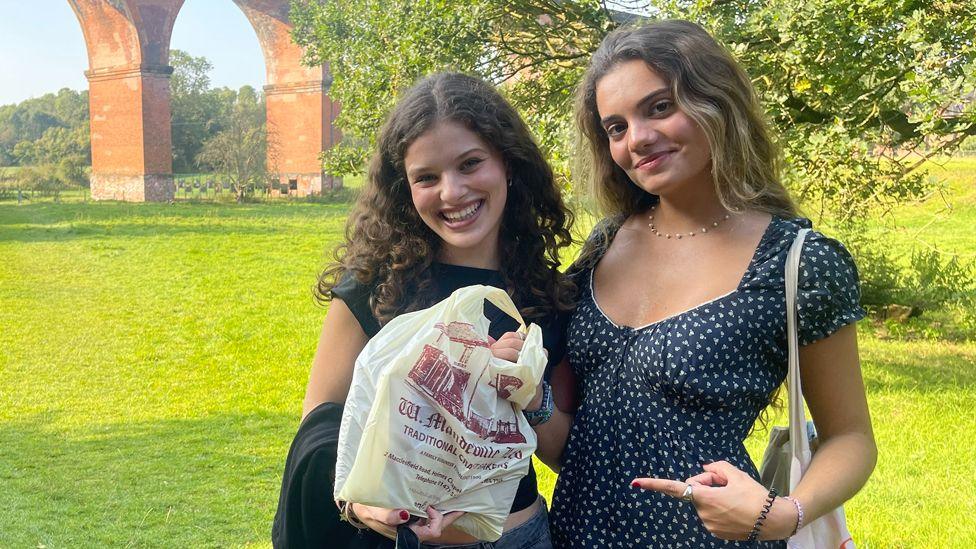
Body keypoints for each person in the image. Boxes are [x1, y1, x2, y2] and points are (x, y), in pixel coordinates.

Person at [527, 20, 877, 547]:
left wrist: (785, 513)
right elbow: (572, 436)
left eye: (660, 107)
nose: (638, 140)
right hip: (574, 534)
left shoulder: (796, 264)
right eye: (616, 127)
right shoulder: (605, 243)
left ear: (717, 102)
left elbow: (851, 436)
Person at [273, 72, 576, 549]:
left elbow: (562, 455)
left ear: (508, 165)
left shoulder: (544, 293)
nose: (452, 192)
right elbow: (322, 426)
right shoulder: (375, 287)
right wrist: (356, 505)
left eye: (470, 164)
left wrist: (529, 393)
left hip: (522, 537)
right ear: (404, 189)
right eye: (427, 178)